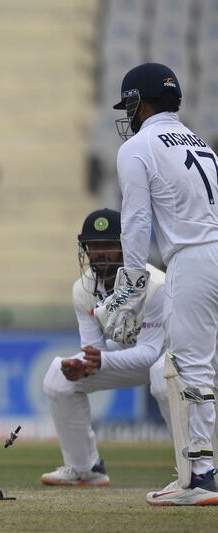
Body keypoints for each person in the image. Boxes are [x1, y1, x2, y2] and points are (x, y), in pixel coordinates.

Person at [98, 63, 218, 505]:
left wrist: (130, 288)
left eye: (130, 104)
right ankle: (199, 471)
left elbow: (135, 221)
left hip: (194, 258)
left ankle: (199, 477)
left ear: (141, 102)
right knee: (210, 367)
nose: (128, 114)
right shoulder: (201, 142)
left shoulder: (139, 146)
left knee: (191, 367)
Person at [42, 208, 169, 487]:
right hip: (126, 354)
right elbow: (93, 348)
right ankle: (84, 467)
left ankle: (197, 472)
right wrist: (83, 367)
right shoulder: (82, 289)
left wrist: (99, 361)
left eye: (108, 245)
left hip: (171, 353)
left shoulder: (155, 284)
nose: (100, 253)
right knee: (57, 376)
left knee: (162, 377)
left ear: (124, 245)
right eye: (94, 246)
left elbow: (149, 353)